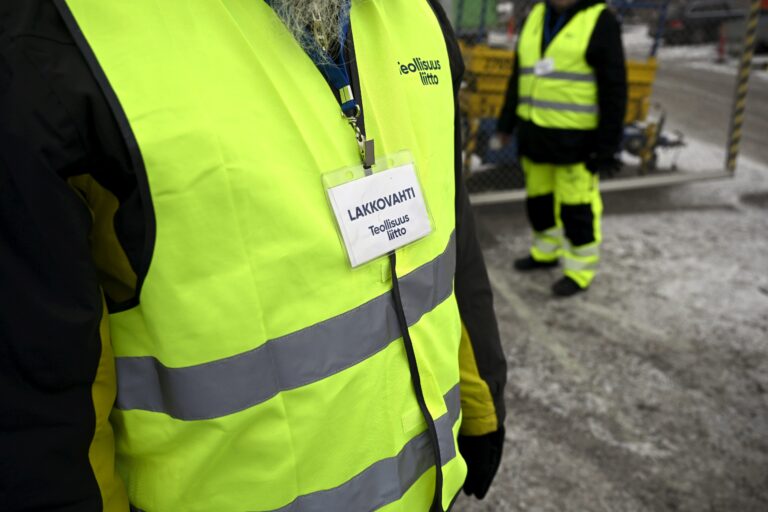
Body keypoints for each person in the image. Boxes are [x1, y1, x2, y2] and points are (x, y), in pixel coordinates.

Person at [0, 1, 509, 511]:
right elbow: (40, 411)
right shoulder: (54, 42)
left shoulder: (416, 14)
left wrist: (480, 395)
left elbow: (449, 231)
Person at [497, 0, 627, 296]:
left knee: (576, 209)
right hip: (534, 136)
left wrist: (608, 146)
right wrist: (505, 123)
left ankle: (579, 272)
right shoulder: (535, 16)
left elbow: (614, 89)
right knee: (539, 202)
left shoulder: (600, 21)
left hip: (576, 143)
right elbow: (519, 75)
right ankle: (545, 252)